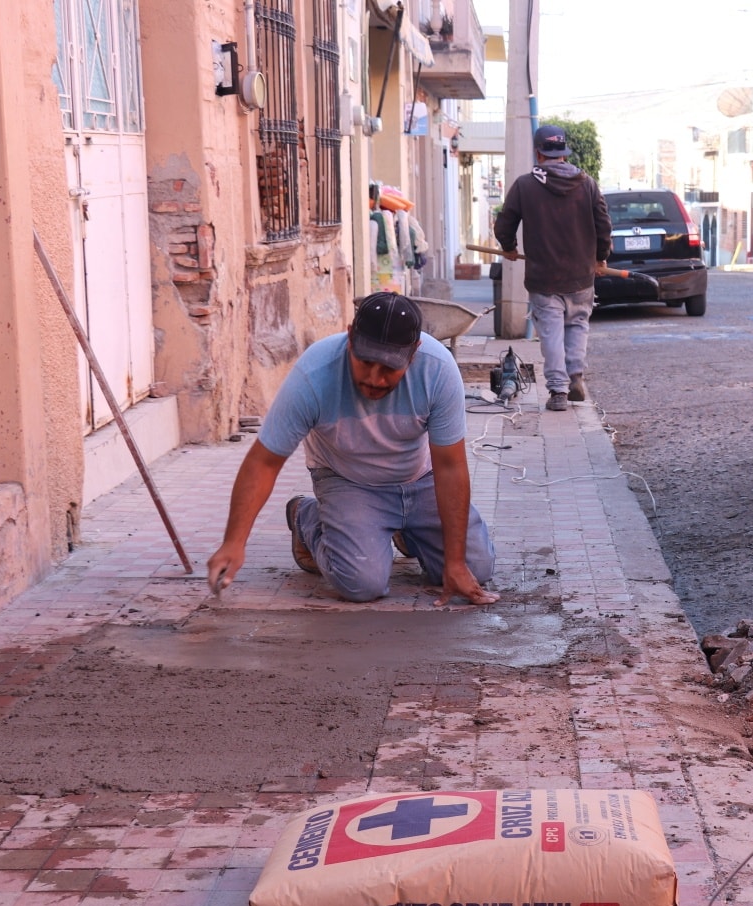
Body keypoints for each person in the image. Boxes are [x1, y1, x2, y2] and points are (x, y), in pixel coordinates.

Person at [206, 292, 499, 607]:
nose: (374, 378)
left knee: (476, 569)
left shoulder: (438, 369)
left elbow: (450, 467)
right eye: (365, 361)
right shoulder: (313, 375)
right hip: (348, 480)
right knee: (361, 584)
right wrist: (234, 542)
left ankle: (407, 530)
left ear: (413, 353)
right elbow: (264, 462)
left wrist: (454, 562)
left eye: (389, 367)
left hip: (421, 478)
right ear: (350, 338)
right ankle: (307, 518)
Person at [494, 123, 612, 412]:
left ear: (538, 153)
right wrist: (600, 257)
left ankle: (559, 391)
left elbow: (505, 223)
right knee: (577, 327)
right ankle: (575, 375)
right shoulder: (587, 183)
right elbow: (603, 224)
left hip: (543, 277)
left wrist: (508, 248)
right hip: (580, 276)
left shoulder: (525, 185)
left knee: (550, 334)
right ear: (563, 152)